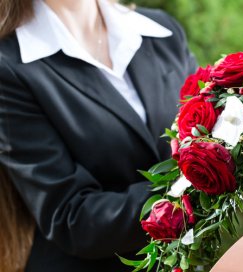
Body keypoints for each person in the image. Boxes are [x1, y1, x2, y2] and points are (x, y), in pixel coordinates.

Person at [0, 0, 197, 271]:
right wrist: (198, 188)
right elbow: (72, 218)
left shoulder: (162, 31)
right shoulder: (9, 65)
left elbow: (203, 134)